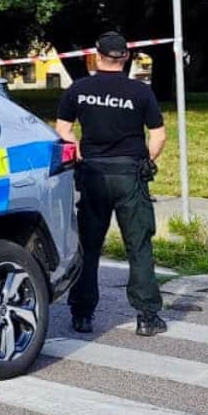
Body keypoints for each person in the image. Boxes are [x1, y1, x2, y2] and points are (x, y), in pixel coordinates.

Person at [55, 32, 168, 336]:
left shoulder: (78, 90)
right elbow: (158, 135)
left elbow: (63, 129)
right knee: (139, 246)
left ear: (96, 55)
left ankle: (82, 314)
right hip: (130, 174)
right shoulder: (140, 92)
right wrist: (148, 159)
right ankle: (147, 317)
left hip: (92, 173)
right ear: (126, 57)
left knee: (89, 247)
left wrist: (78, 153)